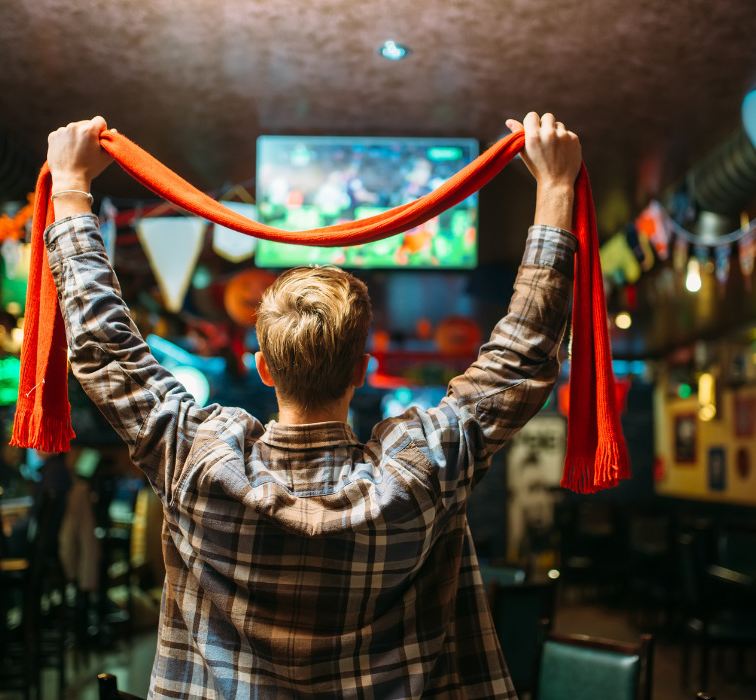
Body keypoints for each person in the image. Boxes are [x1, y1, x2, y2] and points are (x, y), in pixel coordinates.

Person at [44, 111, 581, 698]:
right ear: (362, 369)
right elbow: (525, 354)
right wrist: (556, 189)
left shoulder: (196, 461)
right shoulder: (422, 468)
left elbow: (102, 346)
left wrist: (71, 187)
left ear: (264, 367)